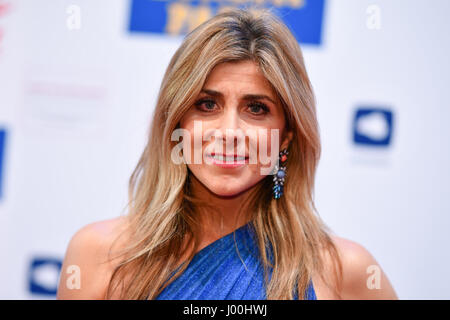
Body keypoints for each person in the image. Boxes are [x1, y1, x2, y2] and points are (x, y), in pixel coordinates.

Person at [56, 8, 398, 300]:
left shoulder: (346, 273)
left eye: (256, 108)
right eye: (207, 105)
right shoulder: (98, 254)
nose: (229, 132)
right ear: (176, 123)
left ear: (286, 137)